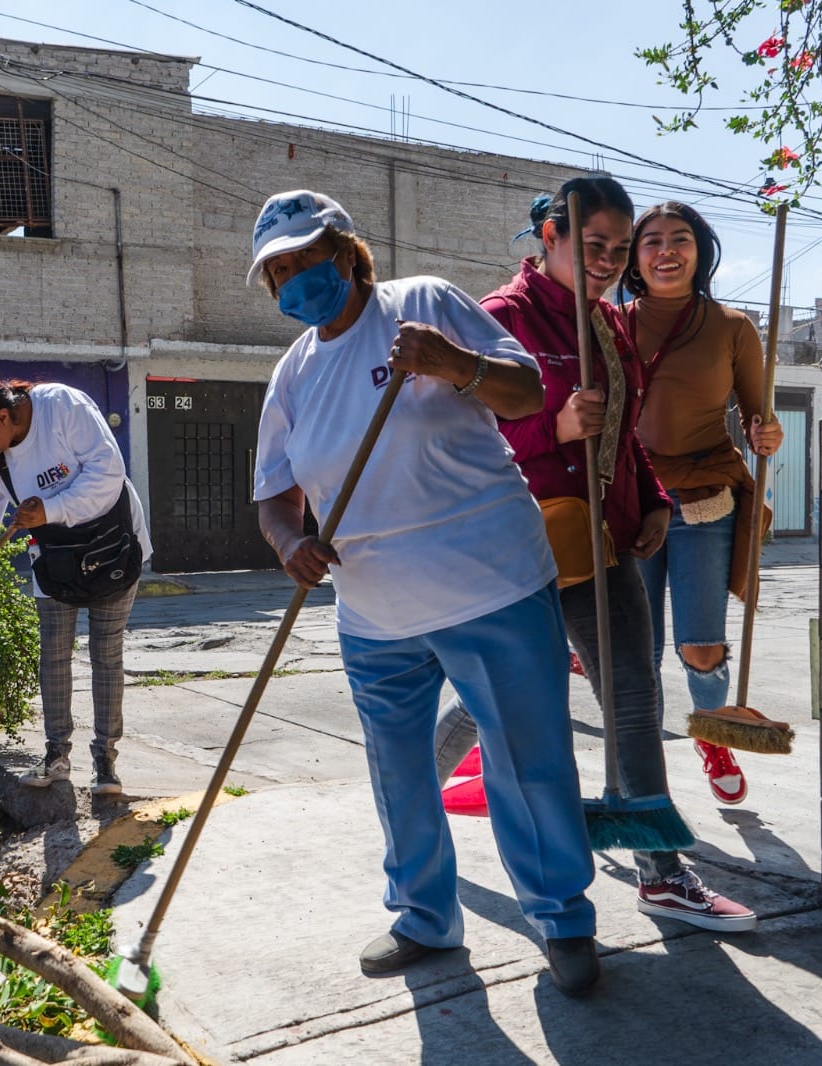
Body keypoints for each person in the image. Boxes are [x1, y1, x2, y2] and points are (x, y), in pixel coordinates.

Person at [248, 189, 600, 994]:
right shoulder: (292, 373)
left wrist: (457, 364)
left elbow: (527, 394)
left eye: (307, 258)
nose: (296, 278)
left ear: (346, 251)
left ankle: (562, 918)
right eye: (280, 271)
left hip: (492, 585)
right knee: (398, 771)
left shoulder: (424, 305)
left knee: (527, 761)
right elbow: (274, 491)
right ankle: (424, 919)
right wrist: (289, 542)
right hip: (372, 612)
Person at [433, 177, 757, 932]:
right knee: (498, 696)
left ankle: (659, 871)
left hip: (605, 541)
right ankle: (411, 793)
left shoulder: (609, 326)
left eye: (619, 249)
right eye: (595, 246)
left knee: (635, 697)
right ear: (549, 237)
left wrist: (650, 502)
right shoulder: (497, 320)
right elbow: (459, 442)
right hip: (519, 549)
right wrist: (552, 430)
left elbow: (626, 432)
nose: (610, 261)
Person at [0, 374, 152, 797]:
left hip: (112, 547)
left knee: (106, 654)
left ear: (4, 416)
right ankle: (57, 755)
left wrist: (51, 508)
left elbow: (108, 473)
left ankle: (106, 759)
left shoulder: (62, 406)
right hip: (55, 559)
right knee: (54, 656)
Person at [622, 201, 784, 805]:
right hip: (632, 503)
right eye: (652, 240)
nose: (666, 250)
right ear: (635, 258)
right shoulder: (608, 325)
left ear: (700, 250)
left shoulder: (732, 326)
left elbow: (755, 412)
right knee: (637, 653)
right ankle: (643, 777)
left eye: (680, 238)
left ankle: (711, 735)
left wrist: (768, 431)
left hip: (705, 497)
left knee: (702, 645)